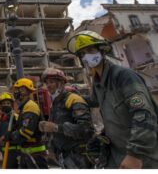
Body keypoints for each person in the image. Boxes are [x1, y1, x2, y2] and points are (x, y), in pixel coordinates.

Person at [67, 30, 158, 168]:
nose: (87, 56)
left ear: (102, 50)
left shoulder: (124, 76)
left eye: (90, 50)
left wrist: (135, 154)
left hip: (142, 157)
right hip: (116, 154)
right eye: (82, 54)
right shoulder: (98, 83)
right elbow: (93, 101)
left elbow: (144, 115)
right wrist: (70, 94)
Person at [39, 68, 94, 168]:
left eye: (51, 82)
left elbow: (86, 129)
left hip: (79, 157)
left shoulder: (73, 99)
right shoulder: (56, 103)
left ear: (61, 83)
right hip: (64, 156)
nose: (48, 86)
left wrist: (56, 127)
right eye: (46, 83)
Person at [8, 78, 48, 169]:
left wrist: (11, 136)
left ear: (28, 91)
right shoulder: (24, 107)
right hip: (27, 154)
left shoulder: (30, 106)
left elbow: (26, 132)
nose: (16, 92)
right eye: (16, 89)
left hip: (35, 155)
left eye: (20, 89)